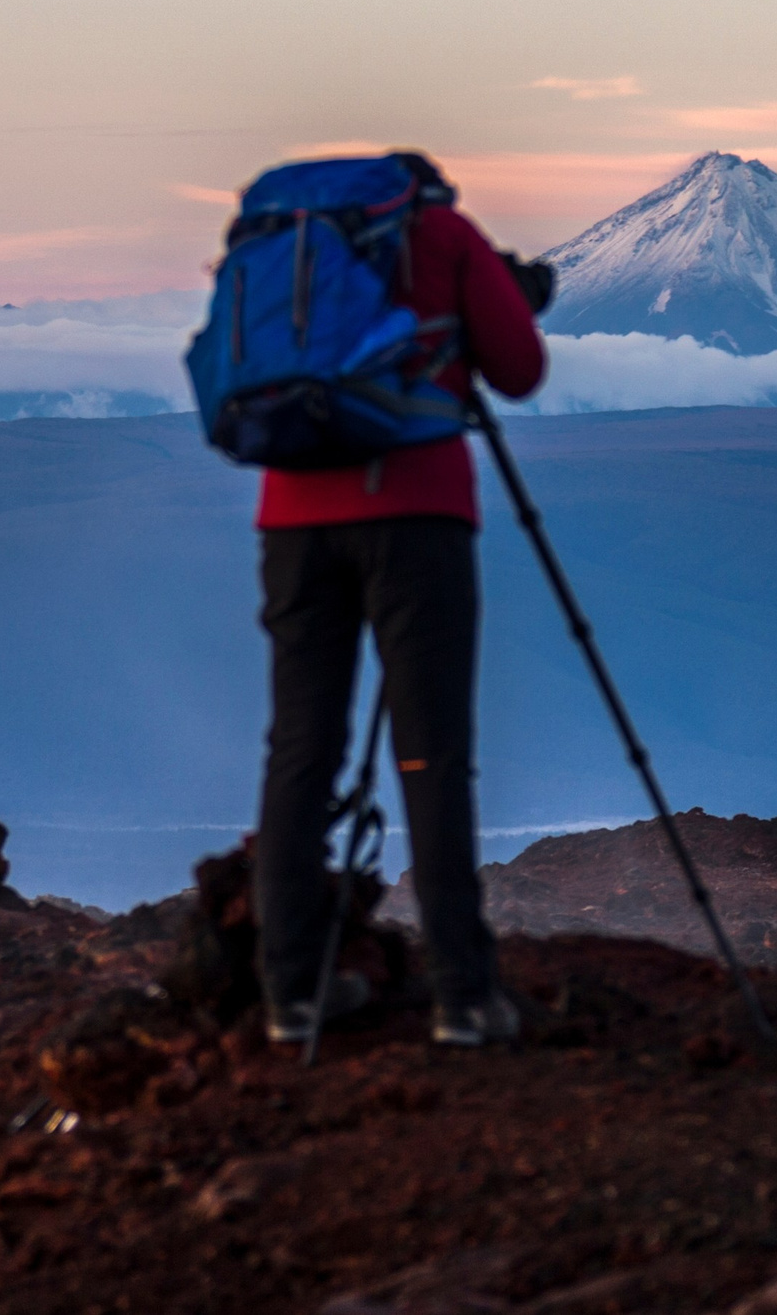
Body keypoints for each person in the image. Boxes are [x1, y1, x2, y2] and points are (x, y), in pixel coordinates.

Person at [250, 155, 548, 1049]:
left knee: (301, 748)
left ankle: (289, 992)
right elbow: (519, 370)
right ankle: (462, 995)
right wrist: (501, 294)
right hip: (417, 516)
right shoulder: (445, 236)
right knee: (432, 752)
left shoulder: (286, 241)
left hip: (293, 519)